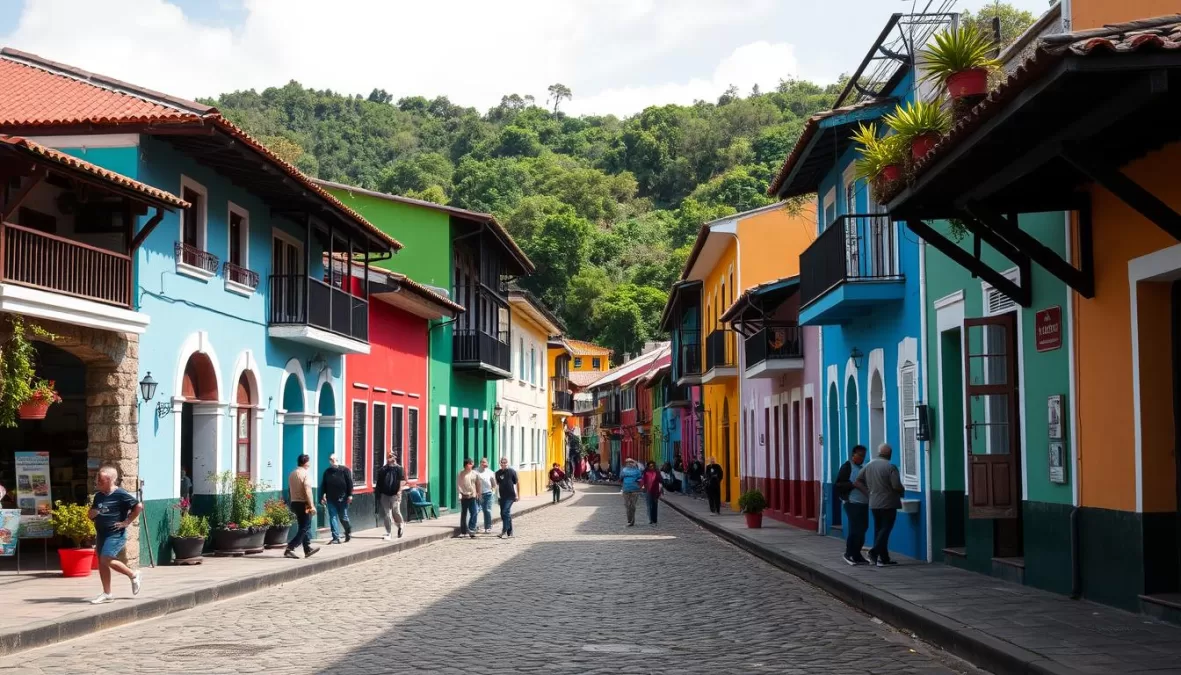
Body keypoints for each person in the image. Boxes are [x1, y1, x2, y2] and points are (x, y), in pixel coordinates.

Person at [87, 466, 143, 604]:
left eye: (100, 480)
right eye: (97, 479)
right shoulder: (99, 496)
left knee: (106, 558)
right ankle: (107, 594)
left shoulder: (120, 494)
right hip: (101, 533)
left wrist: (126, 522)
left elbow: (138, 506)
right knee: (102, 562)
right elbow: (91, 514)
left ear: (110, 480)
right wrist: (92, 514)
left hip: (115, 533)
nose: (97, 482)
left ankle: (133, 574)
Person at [854, 444, 905, 567]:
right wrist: (902, 490)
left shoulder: (869, 465)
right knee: (886, 528)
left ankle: (884, 558)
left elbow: (857, 481)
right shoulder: (890, 467)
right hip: (888, 503)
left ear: (879, 453)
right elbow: (896, 485)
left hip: (874, 503)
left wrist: (868, 493)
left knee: (879, 530)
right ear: (890, 454)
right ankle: (874, 552)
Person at [835, 445, 870, 565]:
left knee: (863, 528)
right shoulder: (847, 467)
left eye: (863, 456)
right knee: (856, 529)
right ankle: (849, 553)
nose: (862, 458)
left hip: (863, 503)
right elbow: (838, 484)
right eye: (860, 455)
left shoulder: (863, 468)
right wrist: (852, 485)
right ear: (853, 455)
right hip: (852, 503)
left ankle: (857, 554)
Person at [284, 454, 320, 559]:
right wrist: (312, 505)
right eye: (308, 462)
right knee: (305, 527)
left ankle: (307, 549)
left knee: (303, 526)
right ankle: (290, 548)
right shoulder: (305, 474)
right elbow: (308, 490)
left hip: (295, 502)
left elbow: (290, 489)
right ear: (306, 463)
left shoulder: (292, 474)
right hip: (304, 503)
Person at [320, 454, 354, 544]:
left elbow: (349, 483)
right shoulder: (327, 472)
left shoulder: (345, 470)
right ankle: (335, 538)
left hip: (343, 498)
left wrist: (350, 495)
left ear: (337, 460)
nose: (332, 461)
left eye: (334, 459)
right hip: (331, 498)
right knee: (333, 517)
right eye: (331, 459)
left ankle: (348, 531)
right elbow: (324, 484)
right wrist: (323, 495)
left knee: (343, 517)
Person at [375, 452, 407, 540]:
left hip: (395, 494)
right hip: (384, 494)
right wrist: (378, 494)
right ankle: (388, 532)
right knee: (387, 514)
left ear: (395, 458)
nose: (390, 458)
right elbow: (379, 483)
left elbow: (402, 481)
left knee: (395, 511)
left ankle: (400, 525)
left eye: (392, 457)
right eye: (389, 457)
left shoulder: (399, 469)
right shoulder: (383, 470)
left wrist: (399, 490)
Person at [495, 457, 519, 539]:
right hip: (502, 496)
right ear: (500, 463)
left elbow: (516, 483)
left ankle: (504, 531)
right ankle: (510, 532)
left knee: (505, 512)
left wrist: (517, 495)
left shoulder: (512, 471)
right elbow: (497, 485)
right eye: (502, 462)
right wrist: (497, 496)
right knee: (504, 514)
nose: (503, 464)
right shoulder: (497, 473)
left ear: (507, 463)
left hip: (511, 496)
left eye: (505, 462)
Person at [457, 458, 479, 539]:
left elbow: (478, 483)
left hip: (472, 496)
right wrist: (460, 493)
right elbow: (459, 484)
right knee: (464, 514)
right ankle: (463, 531)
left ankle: (471, 528)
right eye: (470, 464)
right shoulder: (461, 474)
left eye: (472, 463)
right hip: (464, 496)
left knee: (474, 512)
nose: (471, 465)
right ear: (466, 465)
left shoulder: (474, 474)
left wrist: (478, 493)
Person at [473, 457, 496, 534]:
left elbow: (494, 484)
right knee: (476, 510)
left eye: (485, 462)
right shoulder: (475, 471)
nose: (483, 464)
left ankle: (488, 527)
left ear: (487, 463)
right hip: (478, 494)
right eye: (482, 462)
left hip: (487, 494)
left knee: (487, 510)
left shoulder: (490, 472)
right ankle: (474, 526)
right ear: (480, 463)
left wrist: (493, 492)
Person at [619, 458, 644, 527]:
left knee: (632, 506)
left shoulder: (637, 471)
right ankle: (629, 520)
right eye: (628, 462)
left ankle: (631, 520)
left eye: (631, 462)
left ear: (634, 463)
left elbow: (640, 479)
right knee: (628, 506)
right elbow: (621, 478)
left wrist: (638, 483)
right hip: (626, 490)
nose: (629, 463)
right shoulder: (624, 470)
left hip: (634, 490)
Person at [641, 461, 663, 526]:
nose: (652, 467)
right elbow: (643, 481)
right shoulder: (646, 473)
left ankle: (654, 520)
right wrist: (643, 487)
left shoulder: (657, 473)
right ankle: (650, 519)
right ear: (648, 467)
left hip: (655, 491)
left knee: (655, 505)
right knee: (649, 505)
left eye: (653, 466)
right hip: (648, 491)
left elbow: (661, 480)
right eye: (650, 466)